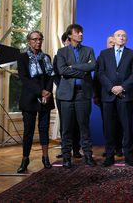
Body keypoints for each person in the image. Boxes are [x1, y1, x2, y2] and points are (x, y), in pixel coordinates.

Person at [55, 24, 97, 168]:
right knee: (66, 129)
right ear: (70, 35)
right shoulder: (61, 52)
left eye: (81, 32)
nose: (81, 34)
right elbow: (62, 70)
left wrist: (72, 67)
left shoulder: (88, 50)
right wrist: (81, 70)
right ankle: (66, 158)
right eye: (78, 32)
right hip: (66, 96)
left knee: (84, 127)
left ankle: (88, 156)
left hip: (83, 94)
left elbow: (92, 66)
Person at [98, 29, 133, 167]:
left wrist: (121, 87)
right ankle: (109, 157)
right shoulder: (104, 54)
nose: (121, 38)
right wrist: (112, 87)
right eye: (118, 36)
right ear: (113, 39)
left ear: (126, 39)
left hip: (125, 96)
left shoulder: (132, 54)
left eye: (123, 36)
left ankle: (129, 157)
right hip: (108, 96)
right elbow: (101, 73)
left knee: (127, 127)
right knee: (109, 127)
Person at [16, 30, 55, 173]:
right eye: (34, 39)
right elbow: (24, 79)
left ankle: (45, 158)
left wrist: (48, 92)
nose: (38, 42)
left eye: (40, 39)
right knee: (28, 131)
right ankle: (25, 159)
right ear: (29, 41)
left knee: (44, 129)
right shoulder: (22, 58)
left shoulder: (46, 57)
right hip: (30, 98)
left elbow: (51, 76)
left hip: (46, 99)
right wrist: (40, 91)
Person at [93, 36, 124, 158]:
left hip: (121, 95)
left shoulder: (122, 56)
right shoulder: (102, 57)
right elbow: (97, 77)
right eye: (110, 42)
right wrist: (95, 95)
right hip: (105, 96)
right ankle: (109, 147)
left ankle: (119, 148)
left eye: (113, 42)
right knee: (107, 124)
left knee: (120, 123)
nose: (112, 44)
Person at [54, 32, 82, 159]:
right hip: (63, 93)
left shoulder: (79, 56)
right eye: (67, 42)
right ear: (64, 42)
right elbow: (56, 74)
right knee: (65, 124)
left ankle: (76, 149)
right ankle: (65, 150)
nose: (69, 45)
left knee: (77, 123)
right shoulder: (59, 56)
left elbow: (83, 70)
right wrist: (63, 86)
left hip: (78, 93)